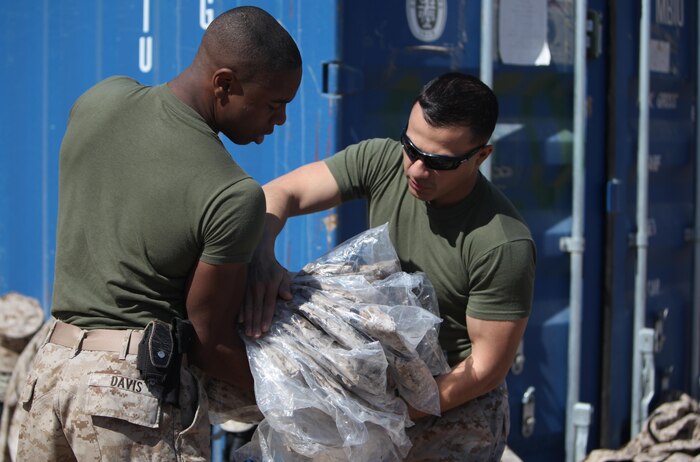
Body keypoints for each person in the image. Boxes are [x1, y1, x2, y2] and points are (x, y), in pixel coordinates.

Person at [16, 6, 302, 461]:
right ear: (224, 84)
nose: (281, 120)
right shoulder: (231, 193)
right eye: (274, 104)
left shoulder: (100, 99)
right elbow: (211, 341)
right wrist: (299, 394)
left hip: (49, 377)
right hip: (129, 399)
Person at [245, 72, 535, 460]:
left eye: (438, 162)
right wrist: (262, 253)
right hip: (380, 386)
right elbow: (282, 193)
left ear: (481, 156)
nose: (416, 170)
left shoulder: (501, 243)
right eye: (411, 149)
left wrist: (390, 413)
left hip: (455, 406)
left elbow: (485, 370)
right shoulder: (382, 162)